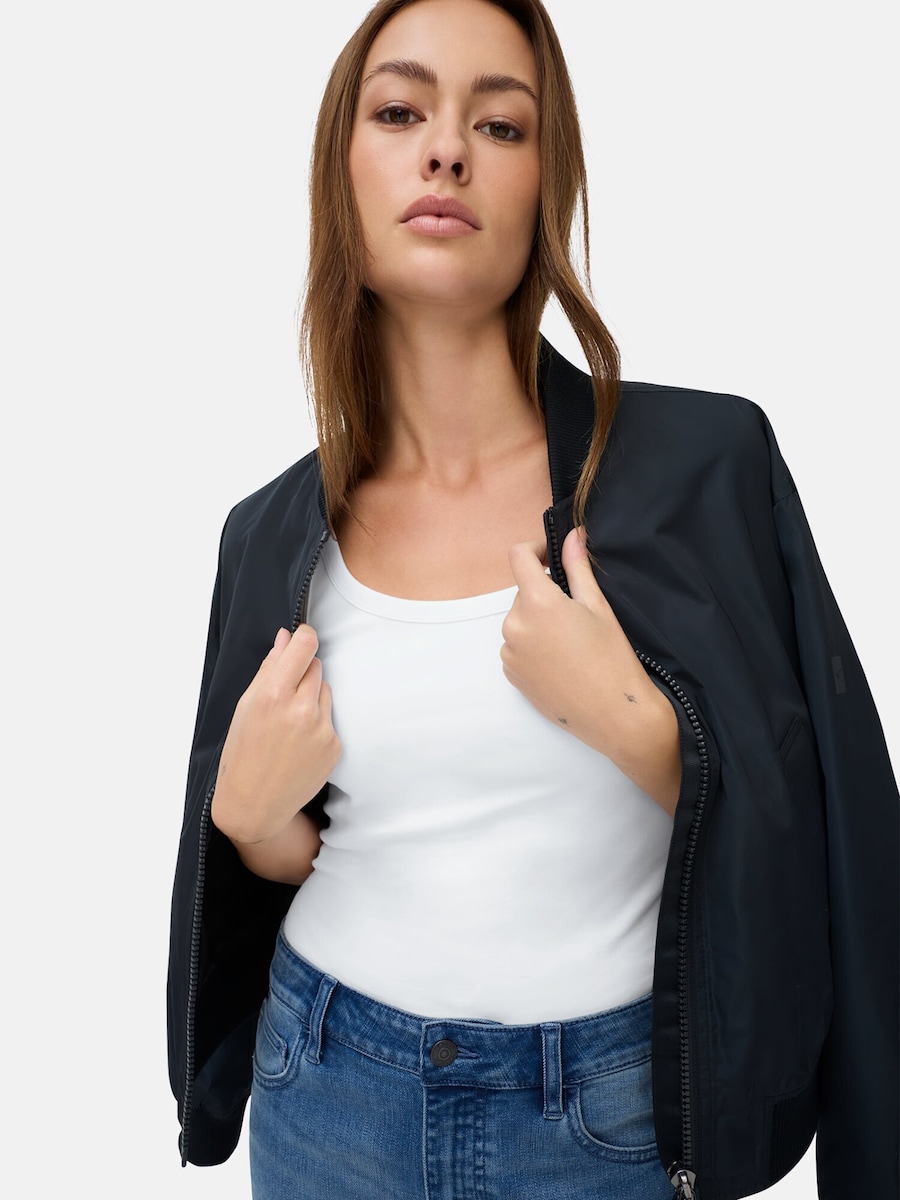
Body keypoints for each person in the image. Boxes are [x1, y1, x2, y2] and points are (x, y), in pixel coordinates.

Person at [166, 1, 899, 1197]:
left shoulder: (709, 468)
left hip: (611, 1126)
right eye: (399, 112)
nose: (446, 149)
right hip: (325, 1096)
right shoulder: (266, 535)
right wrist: (248, 826)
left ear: (546, 189)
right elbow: (317, 846)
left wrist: (644, 730)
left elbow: (838, 842)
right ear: (340, 174)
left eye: (500, 125)